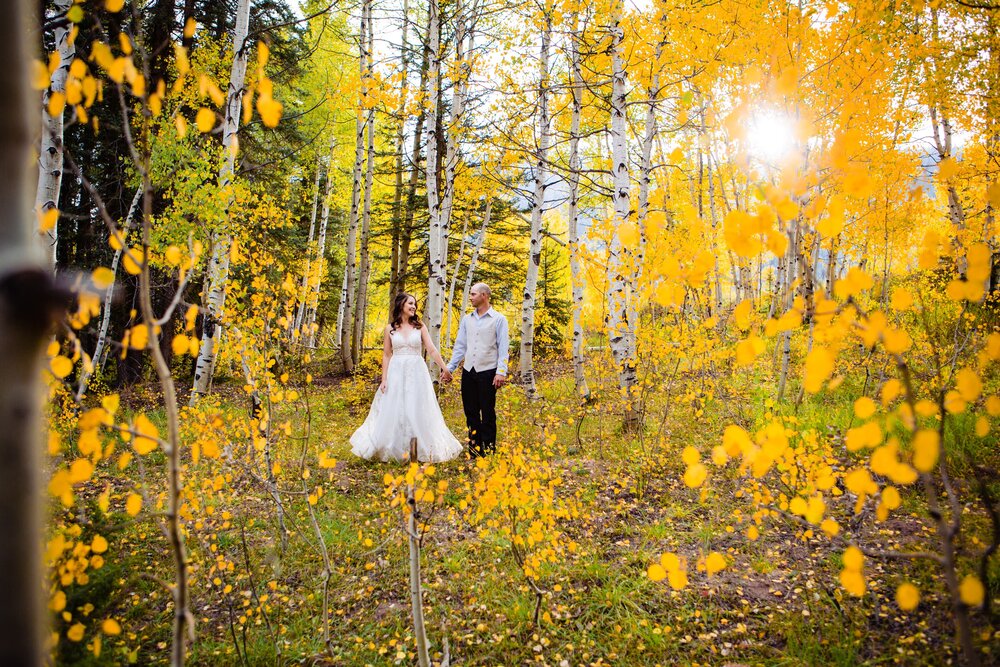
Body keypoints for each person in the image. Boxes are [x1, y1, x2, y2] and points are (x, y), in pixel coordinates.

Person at [350, 293, 463, 463]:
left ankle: (415, 452)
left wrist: (445, 369)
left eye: (415, 304)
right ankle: (393, 450)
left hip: (416, 372)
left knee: (416, 410)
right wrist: (384, 379)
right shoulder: (390, 328)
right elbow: (387, 355)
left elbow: (431, 349)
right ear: (401, 304)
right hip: (396, 372)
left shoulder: (420, 326)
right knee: (396, 410)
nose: (414, 307)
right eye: (410, 303)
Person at [441, 283, 509, 456]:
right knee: (470, 413)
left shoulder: (499, 319)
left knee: (487, 413)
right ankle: (475, 451)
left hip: (488, 372)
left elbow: (503, 348)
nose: (470, 297)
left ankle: (489, 450)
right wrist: (450, 368)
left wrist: (501, 371)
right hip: (469, 372)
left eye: (473, 294)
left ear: (484, 295)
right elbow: (460, 346)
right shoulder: (467, 319)